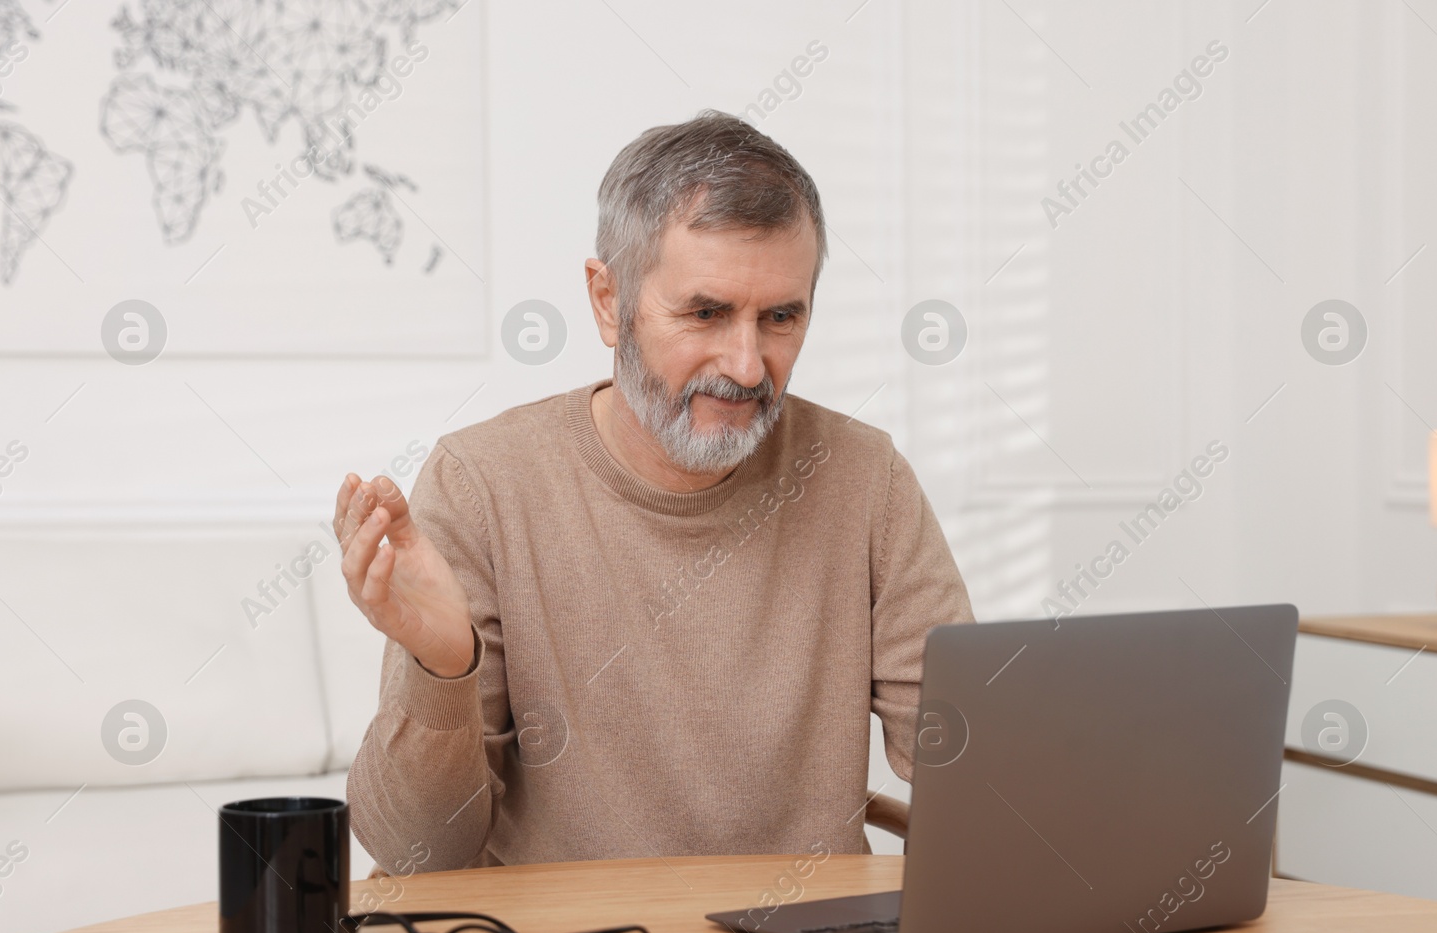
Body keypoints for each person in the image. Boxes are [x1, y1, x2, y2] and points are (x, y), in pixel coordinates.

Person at [337, 109, 972, 874]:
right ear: (609, 300)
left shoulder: (867, 481)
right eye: (705, 313)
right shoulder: (482, 486)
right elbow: (416, 852)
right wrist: (442, 668)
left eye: (780, 317)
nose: (745, 365)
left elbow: (974, 772)